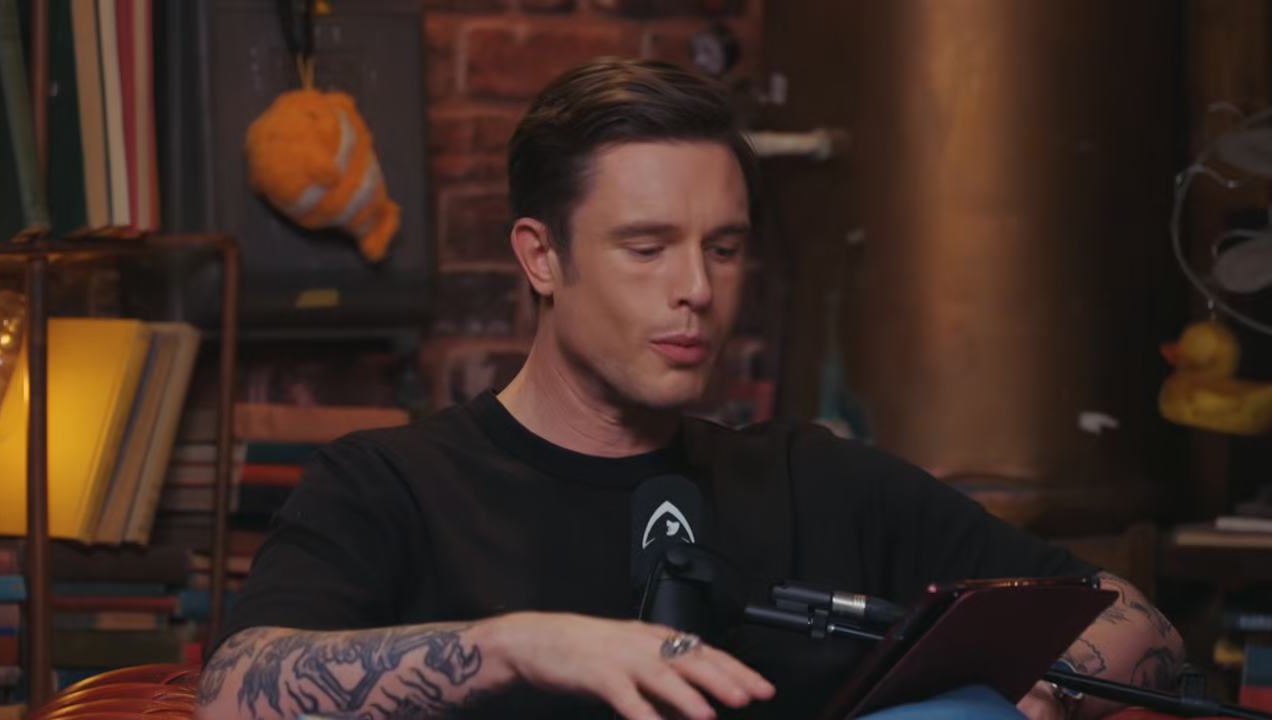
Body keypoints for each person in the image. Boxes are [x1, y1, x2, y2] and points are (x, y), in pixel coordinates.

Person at [196, 58, 1185, 720]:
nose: (697, 291)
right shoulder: (390, 486)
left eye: (723, 247)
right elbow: (234, 692)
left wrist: (1031, 691)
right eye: (646, 247)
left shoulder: (818, 481)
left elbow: (1134, 620)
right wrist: (518, 647)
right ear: (541, 257)